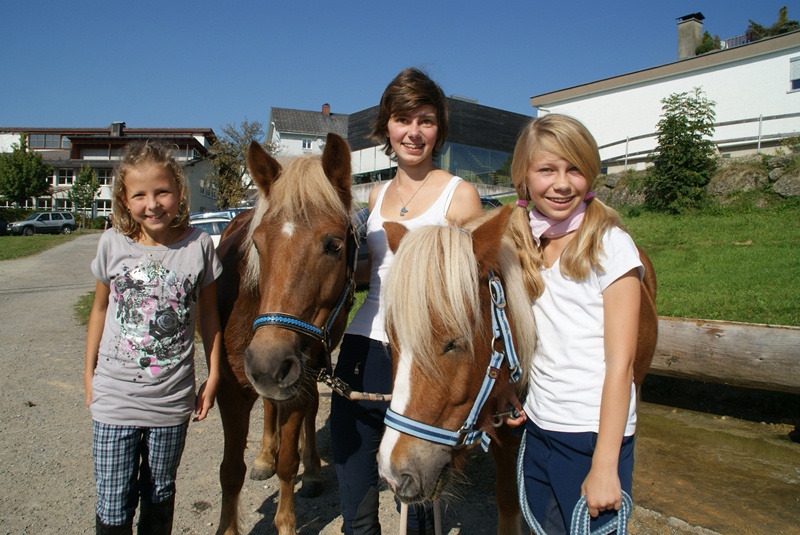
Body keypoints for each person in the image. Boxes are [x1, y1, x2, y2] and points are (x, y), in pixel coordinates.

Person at [330, 67, 483, 535]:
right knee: (354, 491)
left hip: (423, 356)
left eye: (426, 120)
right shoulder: (376, 195)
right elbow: (372, 272)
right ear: (386, 127)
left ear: (439, 130)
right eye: (402, 119)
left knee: (416, 503)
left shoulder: (460, 195)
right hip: (363, 346)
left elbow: (472, 293)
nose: (413, 132)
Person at [508, 114, 643, 534]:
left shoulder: (611, 246)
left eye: (575, 169)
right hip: (540, 426)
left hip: (591, 433)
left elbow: (621, 364)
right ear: (523, 177)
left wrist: (605, 465)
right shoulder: (527, 243)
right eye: (547, 170)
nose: (563, 184)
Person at [84, 140, 223, 535]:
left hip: (170, 401)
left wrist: (213, 375)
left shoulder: (198, 246)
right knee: (113, 504)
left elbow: (209, 316)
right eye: (139, 195)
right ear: (124, 200)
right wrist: (88, 372)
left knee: (160, 493)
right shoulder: (112, 243)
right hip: (115, 399)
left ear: (179, 191)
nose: (153, 204)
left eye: (162, 191)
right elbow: (99, 309)